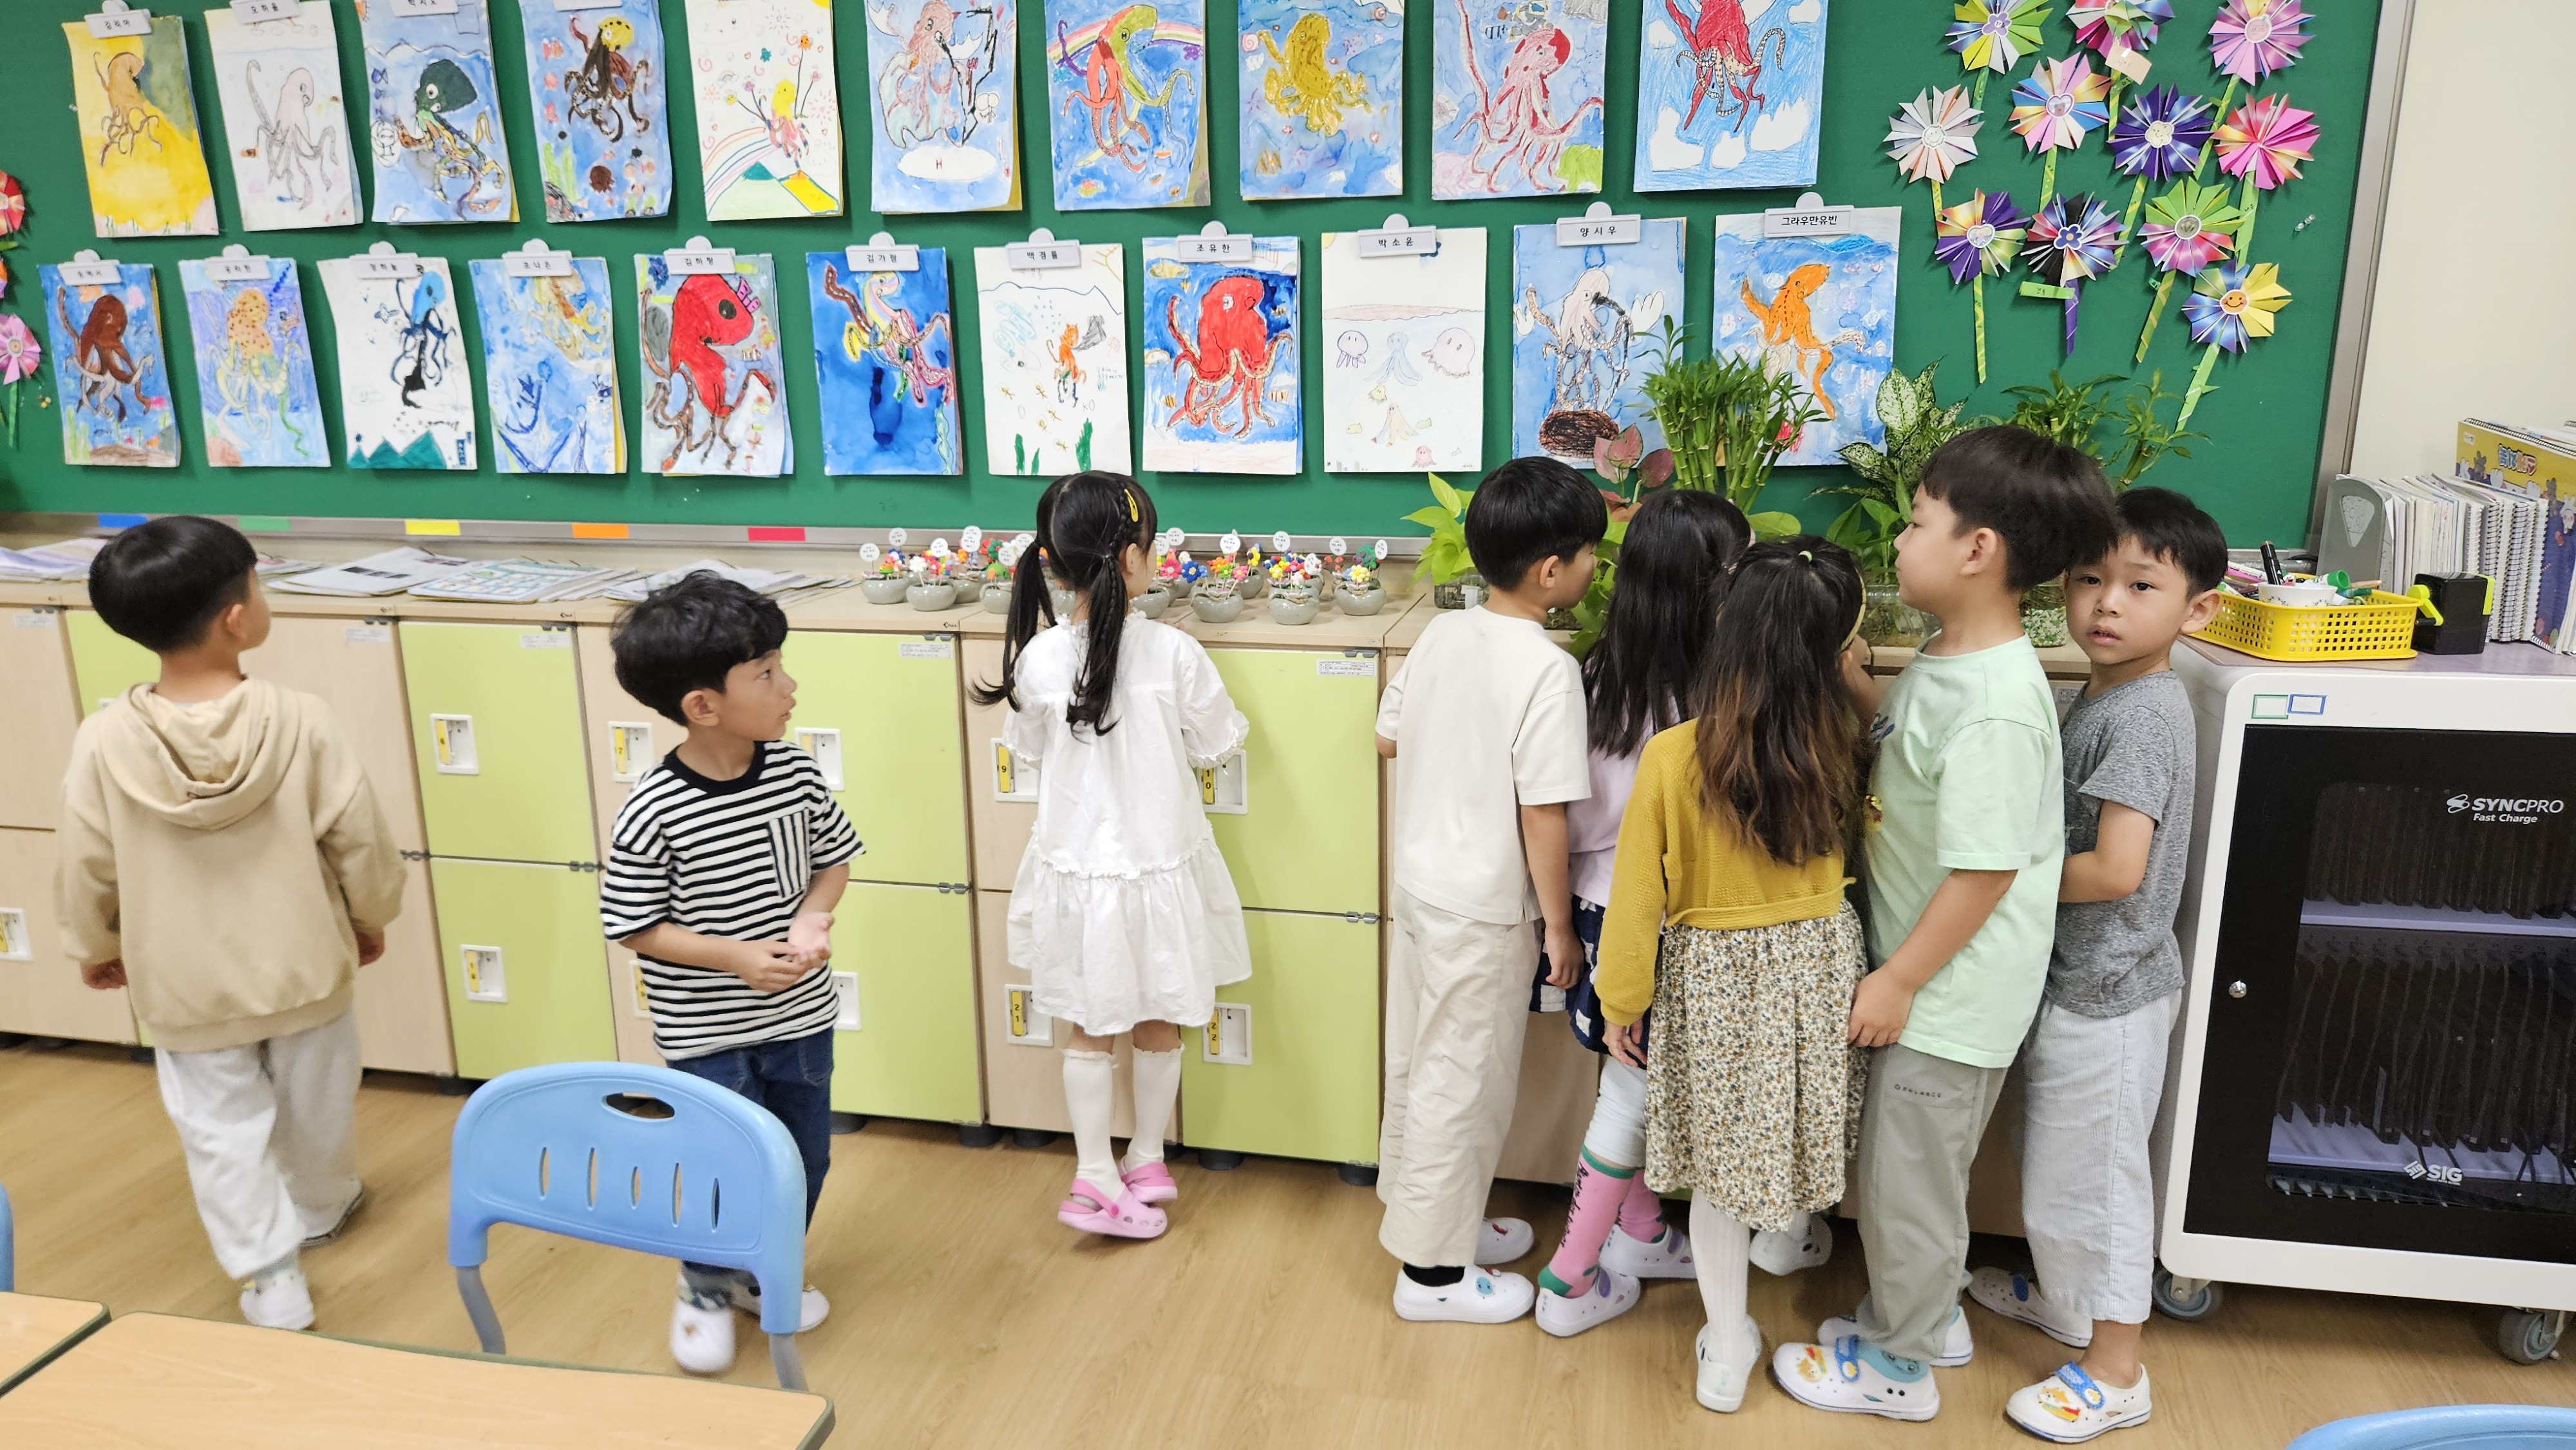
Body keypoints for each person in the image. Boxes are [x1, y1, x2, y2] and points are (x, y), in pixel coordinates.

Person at [1774, 426, 2119, 1422]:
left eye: (1918, 522)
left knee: (1907, 1190)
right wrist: (1856, 691)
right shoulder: (1950, 659)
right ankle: (1913, 1315)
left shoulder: (2001, 707)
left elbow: (1985, 868)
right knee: (1906, 1177)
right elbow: (1918, 768)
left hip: (1952, 996)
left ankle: (1898, 1366)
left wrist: (1900, 980)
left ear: (1979, 550)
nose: (1900, 540)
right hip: (1935, 985)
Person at [57, 516, 402, 1332]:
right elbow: (360, 833)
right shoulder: (301, 717)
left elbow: (83, 862)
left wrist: (96, 946)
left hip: (182, 981)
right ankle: (319, 1205)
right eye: (258, 580)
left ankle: (271, 1276)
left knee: (218, 1128)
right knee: (318, 1098)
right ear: (237, 617)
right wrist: (370, 914)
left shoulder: (104, 738)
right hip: (305, 962)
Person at [1966, 487, 2225, 1442]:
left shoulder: (2148, 713)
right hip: (2075, 979)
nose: (2105, 604)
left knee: (2098, 1182)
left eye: (2139, 586)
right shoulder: (2101, 691)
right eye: (2089, 580)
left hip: (2111, 994)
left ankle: (2117, 1370)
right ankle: (2071, 1309)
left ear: (2196, 609)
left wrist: (2000, 880)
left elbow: (2118, 870)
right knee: (2056, 1170)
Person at [1593, 540, 1876, 1410]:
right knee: (1795, 1116)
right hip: (1820, 961)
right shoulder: (1848, 737)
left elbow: (1638, 896)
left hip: (1715, 977)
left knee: (1721, 1165)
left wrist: (1621, 1001)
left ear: (1725, 629)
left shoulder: (1677, 755)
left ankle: (1727, 1339)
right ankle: (1787, 1240)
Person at [977, 471, 1251, 1241]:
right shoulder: (1175, 651)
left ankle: (1113, 1161)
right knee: (1162, 1014)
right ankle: (1125, 1164)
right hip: (1157, 858)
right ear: (1131, 555)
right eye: (1151, 540)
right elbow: (1218, 741)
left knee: (1088, 1029)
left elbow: (1027, 747)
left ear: (1056, 564)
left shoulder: (1037, 657)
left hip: (1079, 867)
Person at [601, 572, 859, 1375]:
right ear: (701, 705)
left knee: (802, 1158)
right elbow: (634, 924)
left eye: (780, 667)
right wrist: (738, 956)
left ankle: (760, 1268)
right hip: (707, 1031)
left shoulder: (796, 774)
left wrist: (811, 917)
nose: (789, 687)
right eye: (767, 674)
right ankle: (705, 1283)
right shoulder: (653, 807)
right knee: (726, 1159)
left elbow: (834, 860)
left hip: (800, 1017)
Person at [1375, 457, 1607, 1324]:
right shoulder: (1546, 670)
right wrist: (1560, 929)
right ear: (1552, 572)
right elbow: (1544, 816)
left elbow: (1387, 737)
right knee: (1462, 1081)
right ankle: (1431, 1278)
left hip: (1425, 887)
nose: (1595, 566)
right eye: (1591, 553)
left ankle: (1434, 1224)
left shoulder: (1444, 632)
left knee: (1420, 1062)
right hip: (1483, 905)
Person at [1530, 489, 1748, 1338]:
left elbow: (1576, 816)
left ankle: (1642, 1227)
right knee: (1630, 1090)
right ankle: (1570, 1278)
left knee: (1627, 1076)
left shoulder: (1597, 676)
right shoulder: (1714, 704)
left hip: (1593, 911)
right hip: (1668, 927)